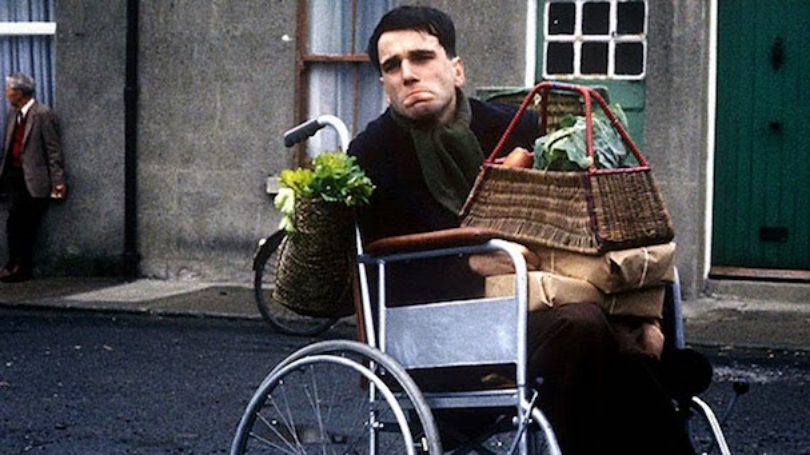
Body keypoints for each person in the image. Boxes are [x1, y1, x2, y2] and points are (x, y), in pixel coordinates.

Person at [348, 6, 699, 454]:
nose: (408, 74)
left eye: (421, 57)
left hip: (540, 302)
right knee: (584, 326)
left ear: (456, 69)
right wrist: (471, 263)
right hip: (446, 331)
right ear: (383, 82)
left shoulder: (516, 128)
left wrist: (646, 318)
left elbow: (586, 224)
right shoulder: (373, 154)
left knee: (629, 324)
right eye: (392, 66)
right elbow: (382, 274)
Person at [0, 73, 65, 283]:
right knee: (15, 222)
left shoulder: (43, 114)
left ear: (19, 93)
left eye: (9, 89)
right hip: (14, 175)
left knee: (25, 224)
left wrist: (58, 181)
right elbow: (8, 145)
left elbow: (53, 150)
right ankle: (15, 264)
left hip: (34, 178)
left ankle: (20, 267)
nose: (6, 93)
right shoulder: (13, 114)